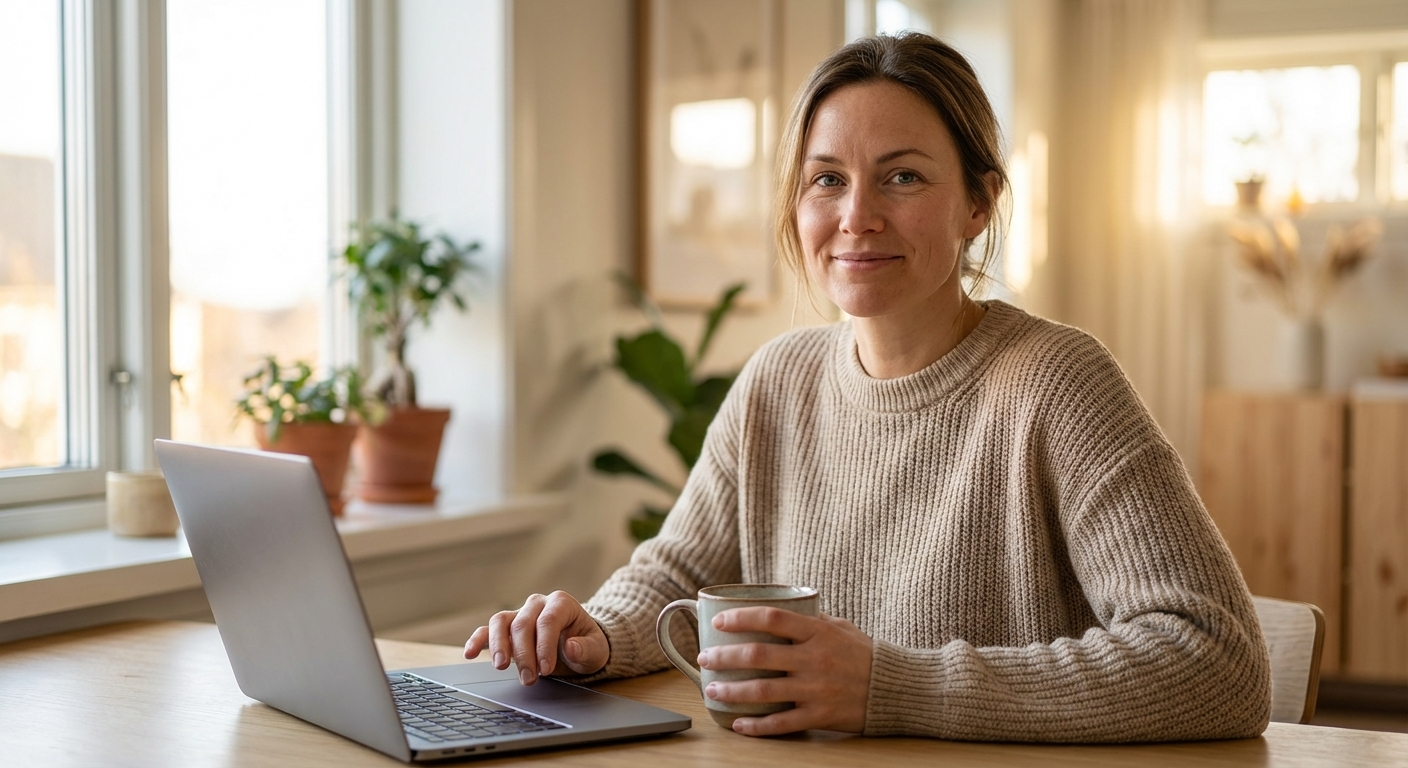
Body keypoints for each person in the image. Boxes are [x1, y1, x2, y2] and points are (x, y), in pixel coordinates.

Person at [464, 32, 1271, 743]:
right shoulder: (778, 381)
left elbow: (1217, 659)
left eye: (904, 178)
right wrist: (594, 635)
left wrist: (892, 686)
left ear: (979, 204)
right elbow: (676, 576)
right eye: (826, 180)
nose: (857, 216)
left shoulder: (1058, 383)